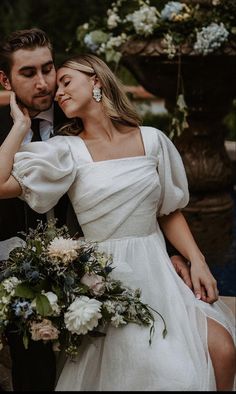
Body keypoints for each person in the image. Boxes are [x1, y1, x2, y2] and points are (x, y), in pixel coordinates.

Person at [1, 53, 235, 391]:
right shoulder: (65, 150)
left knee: (224, 349)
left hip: (160, 274)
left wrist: (197, 260)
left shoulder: (152, 139)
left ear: (96, 80)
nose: (59, 92)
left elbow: (167, 210)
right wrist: (20, 126)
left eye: (66, 82)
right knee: (172, 374)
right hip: (110, 281)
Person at [0, 28, 81, 391]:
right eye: (28, 73)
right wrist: (19, 127)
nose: (43, 82)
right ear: (5, 79)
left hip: (80, 259)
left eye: (47, 69)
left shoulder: (80, 119)